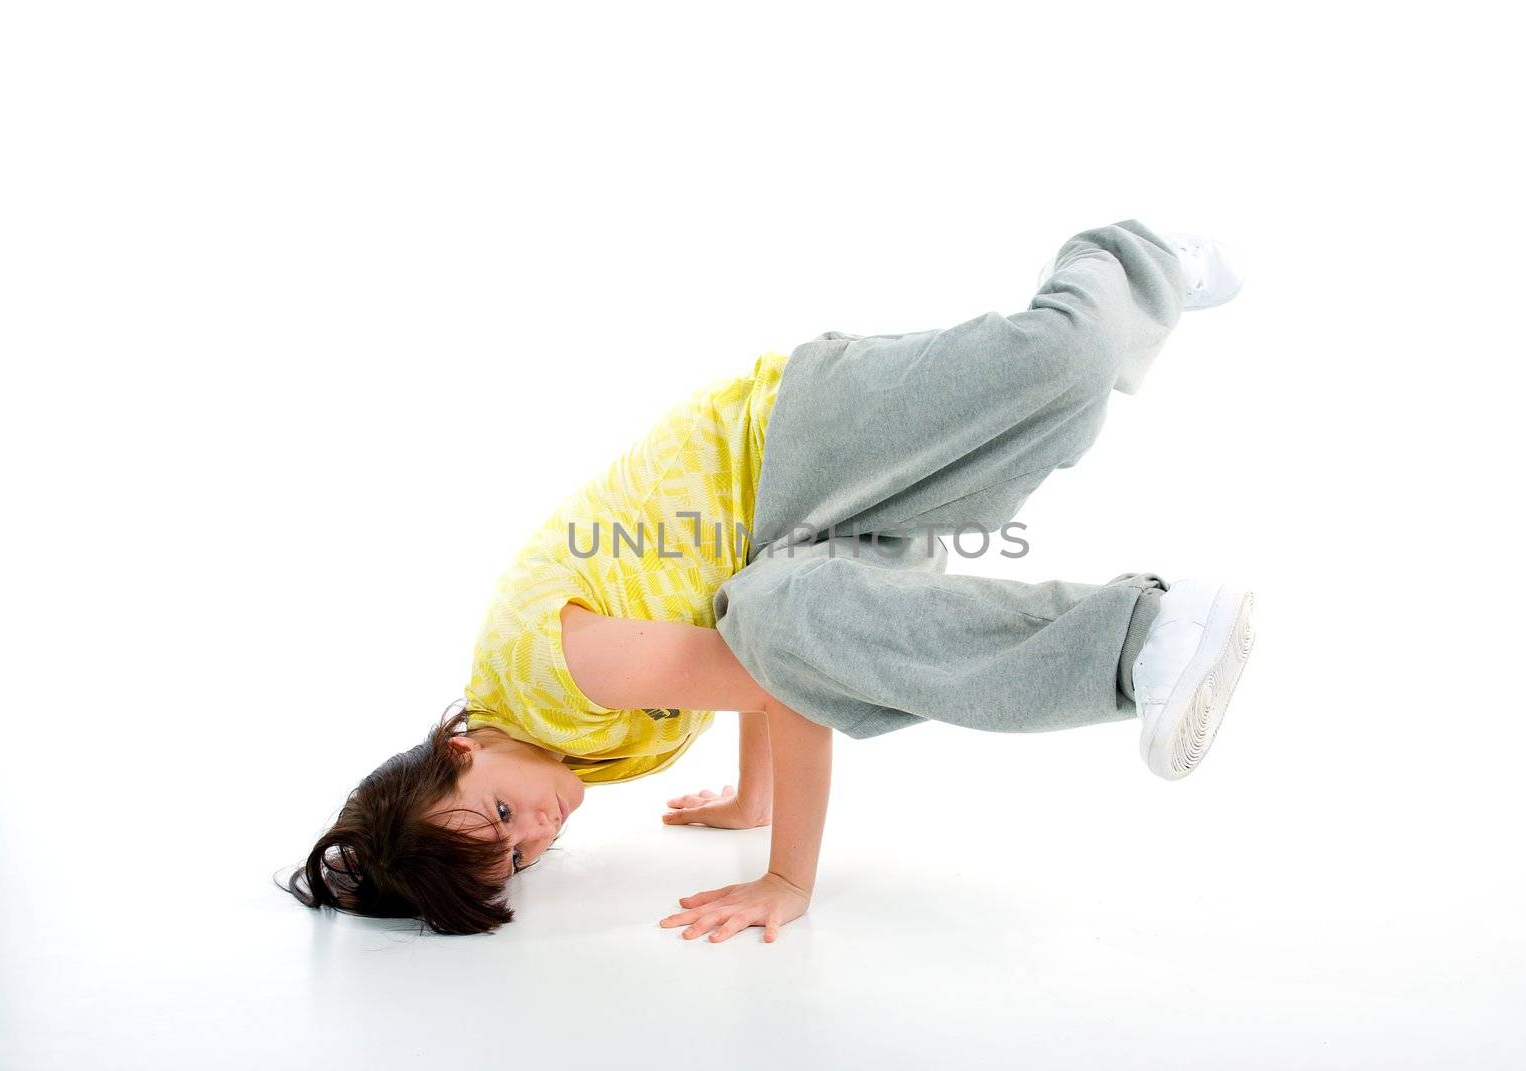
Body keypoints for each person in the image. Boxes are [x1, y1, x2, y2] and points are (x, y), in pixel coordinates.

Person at [280, 220, 1256, 942]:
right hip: (801, 551)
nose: (538, 829)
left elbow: (778, 683)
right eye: (521, 856)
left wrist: (785, 874)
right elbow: (747, 641)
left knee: (1061, 366)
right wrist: (749, 800)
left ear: (458, 745)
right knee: (1037, 434)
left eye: (499, 815)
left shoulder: (552, 678)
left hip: (789, 440)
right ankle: (1149, 640)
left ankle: (1134, 252)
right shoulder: (556, 754)